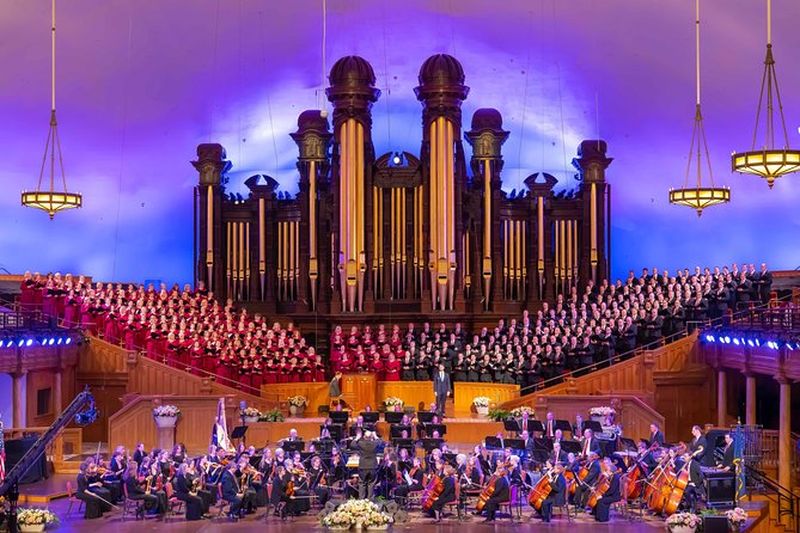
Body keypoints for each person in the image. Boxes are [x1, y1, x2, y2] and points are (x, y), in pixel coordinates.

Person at [351, 430, 380, 499]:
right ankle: (370, 501)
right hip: (372, 466)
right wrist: (375, 436)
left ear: (364, 437)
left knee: (362, 484)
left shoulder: (361, 443)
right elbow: (380, 442)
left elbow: (352, 445)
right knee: (371, 484)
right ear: (371, 437)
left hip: (363, 467)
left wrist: (357, 437)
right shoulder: (374, 443)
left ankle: (361, 501)